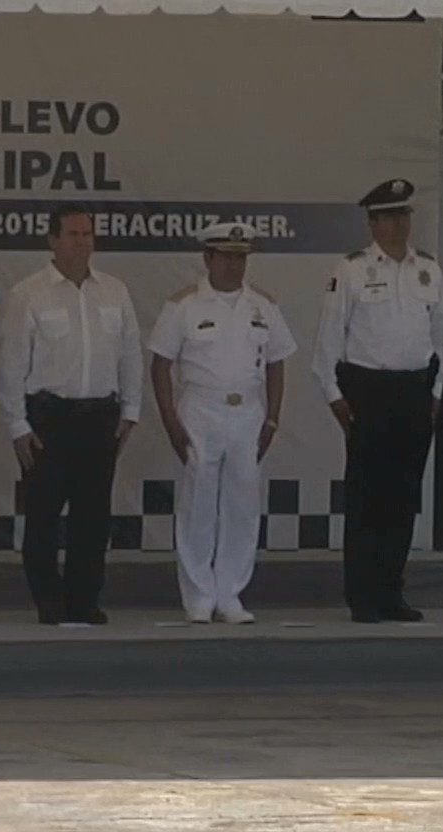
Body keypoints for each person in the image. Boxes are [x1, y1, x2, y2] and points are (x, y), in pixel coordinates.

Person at [0, 204, 142, 626]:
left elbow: (130, 353)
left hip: (100, 416)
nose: (82, 242)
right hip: (49, 418)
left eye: (87, 234)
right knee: (42, 514)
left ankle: (84, 600)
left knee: (93, 517)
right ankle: (48, 599)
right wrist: (17, 426)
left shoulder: (114, 291)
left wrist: (130, 411)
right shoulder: (29, 293)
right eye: (73, 234)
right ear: (53, 240)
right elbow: (10, 366)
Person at [312, 178, 443, 624]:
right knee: (367, 499)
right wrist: (336, 398)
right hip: (368, 391)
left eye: (404, 214)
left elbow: (441, 339)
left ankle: (392, 592)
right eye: (390, 216)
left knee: (403, 498)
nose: (399, 224)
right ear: (373, 223)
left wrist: (437, 391)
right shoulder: (350, 270)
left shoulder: (428, 269)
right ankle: (364, 596)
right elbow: (327, 344)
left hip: (415, 392)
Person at [148, 221, 297, 624]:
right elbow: (160, 363)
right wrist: (169, 419)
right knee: (198, 504)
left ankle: (230, 593)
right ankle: (198, 595)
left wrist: (272, 419)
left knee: (243, 504)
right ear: (208, 258)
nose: (235, 265)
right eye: (227, 257)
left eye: (241, 257)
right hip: (200, 408)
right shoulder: (184, 305)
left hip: (247, 412)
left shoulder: (262, 305)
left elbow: (277, 361)